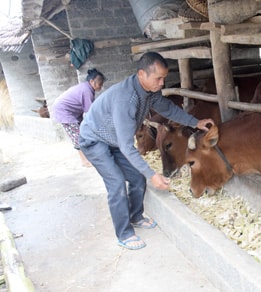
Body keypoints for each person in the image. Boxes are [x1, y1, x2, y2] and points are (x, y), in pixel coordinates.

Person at [79, 52, 212, 250]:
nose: (162, 83)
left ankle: (136, 216)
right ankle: (124, 233)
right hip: (95, 140)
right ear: (142, 74)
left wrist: (195, 122)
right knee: (116, 183)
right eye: (158, 78)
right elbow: (126, 146)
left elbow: (167, 108)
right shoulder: (126, 99)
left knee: (136, 178)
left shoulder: (150, 92)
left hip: (113, 140)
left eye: (164, 78)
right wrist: (152, 175)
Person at [51, 68, 105, 167]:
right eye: (99, 84)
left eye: (101, 84)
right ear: (92, 81)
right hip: (64, 112)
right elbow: (90, 112)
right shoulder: (86, 90)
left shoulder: (87, 89)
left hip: (72, 112)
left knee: (84, 133)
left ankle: (89, 156)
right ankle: (84, 161)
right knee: (78, 137)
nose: (101, 87)